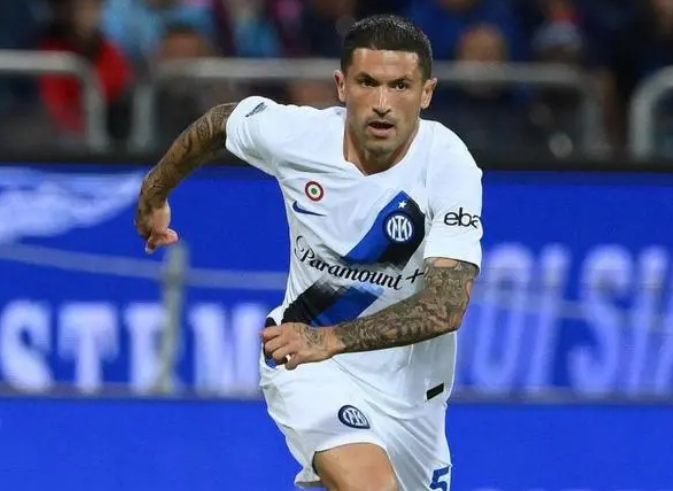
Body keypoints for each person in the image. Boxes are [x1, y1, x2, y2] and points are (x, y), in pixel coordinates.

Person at [134, 14, 483, 491]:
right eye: (367, 83)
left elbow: (446, 306)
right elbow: (220, 123)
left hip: (412, 397)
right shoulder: (299, 136)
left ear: (426, 93)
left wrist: (332, 337)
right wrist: (155, 193)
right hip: (306, 360)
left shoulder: (448, 164)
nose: (382, 104)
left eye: (400, 86)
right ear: (342, 86)